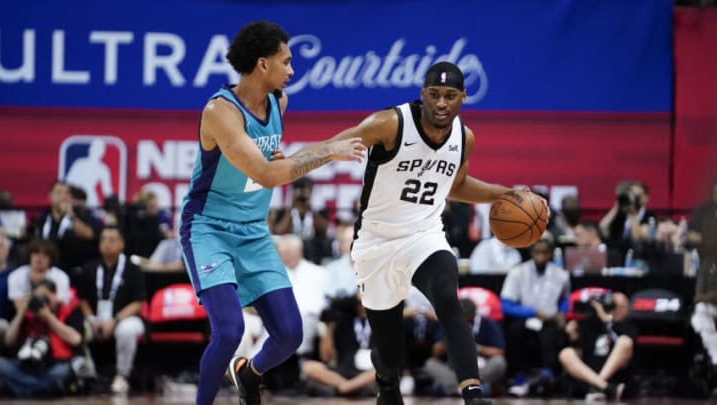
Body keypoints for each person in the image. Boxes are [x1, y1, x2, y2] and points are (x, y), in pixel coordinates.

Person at [329, 61, 543, 405]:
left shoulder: (464, 137)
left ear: (463, 97)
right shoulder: (390, 122)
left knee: (448, 299)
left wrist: (503, 194)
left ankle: (473, 395)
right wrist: (285, 164)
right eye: (435, 94)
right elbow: (332, 147)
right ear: (423, 94)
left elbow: (455, 187)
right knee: (389, 353)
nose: (442, 103)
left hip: (424, 234)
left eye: (451, 95)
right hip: (376, 243)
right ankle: (388, 387)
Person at [179, 20, 366, 405]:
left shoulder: (279, 102)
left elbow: (273, 160)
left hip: (252, 229)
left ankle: (248, 373)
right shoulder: (220, 111)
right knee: (229, 331)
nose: (292, 70)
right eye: (286, 60)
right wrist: (329, 150)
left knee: (290, 333)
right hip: (209, 228)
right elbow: (265, 173)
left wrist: (290, 155)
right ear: (262, 64)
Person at [76, 225, 146, 394]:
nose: (107, 244)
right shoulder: (90, 267)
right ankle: (87, 374)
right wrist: (92, 320)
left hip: (124, 318)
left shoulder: (132, 268)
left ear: (121, 244)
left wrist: (115, 321)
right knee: (77, 328)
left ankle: (122, 375)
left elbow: (138, 302)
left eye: (111, 240)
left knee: (126, 330)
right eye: (103, 240)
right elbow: (82, 300)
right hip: (95, 319)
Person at [500, 238, 570, 397]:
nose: (541, 257)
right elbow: (506, 305)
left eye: (545, 253)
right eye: (537, 253)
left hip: (550, 319)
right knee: (514, 331)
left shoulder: (561, 275)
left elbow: (565, 299)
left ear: (551, 254)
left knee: (552, 333)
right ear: (531, 253)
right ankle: (520, 377)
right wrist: (532, 312)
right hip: (525, 317)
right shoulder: (517, 272)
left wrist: (562, 313)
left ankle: (547, 376)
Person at [0, 278, 84, 398]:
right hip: (24, 365)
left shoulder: (68, 310)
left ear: (54, 296)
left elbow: (76, 339)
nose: (42, 301)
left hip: (53, 365)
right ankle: (40, 390)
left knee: (63, 372)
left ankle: (23, 389)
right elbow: (8, 340)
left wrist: (49, 317)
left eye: (45, 296)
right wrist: (21, 312)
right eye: (38, 297)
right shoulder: (27, 314)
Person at [559, 291, 634, 401]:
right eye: (613, 305)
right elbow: (579, 350)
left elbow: (623, 344)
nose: (616, 310)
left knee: (625, 341)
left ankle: (597, 387)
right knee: (566, 353)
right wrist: (572, 336)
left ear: (627, 309)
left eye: (621, 307)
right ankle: (604, 387)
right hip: (590, 374)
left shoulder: (630, 326)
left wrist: (607, 321)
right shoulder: (590, 323)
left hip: (615, 376)